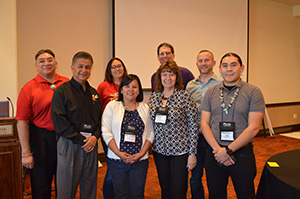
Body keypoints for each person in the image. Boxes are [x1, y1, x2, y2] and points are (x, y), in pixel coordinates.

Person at [201, 52, 265, 199]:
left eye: (233, 65)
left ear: (241, 68)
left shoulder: (253, 92)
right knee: (215, 194)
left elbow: (254, 127)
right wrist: (219, 150)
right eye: (225, 65)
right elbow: (204, 124)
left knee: (245, 194)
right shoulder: (211, 92)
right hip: (215, 153)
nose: (229, 69)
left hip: (242, 153)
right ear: (220, 69)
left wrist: (228, 150)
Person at [16, 49, 69, 199]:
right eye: (42, 61)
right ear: (36, 66)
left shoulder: (67, 83)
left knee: (64, 180)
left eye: (50, 59)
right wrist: (26, 154)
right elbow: (22, 122)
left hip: (65, 139)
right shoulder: (28, 88)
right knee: (41, 183)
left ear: (56, 63)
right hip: (41, 140)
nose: (46, 63)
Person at [51, 51, 103, 199]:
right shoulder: (62, 91)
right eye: (80, 66)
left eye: (87, 67)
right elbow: (59, 121)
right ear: (72, 67)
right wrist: (81, 140)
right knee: (66, 190)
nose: (84, 70)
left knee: (89, 187)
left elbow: (100, 120)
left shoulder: (94, 93)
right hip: (69, 144)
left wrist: (95, 137)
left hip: (91, 145)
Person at [149, 60, 198, 199]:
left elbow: (193, 126)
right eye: (164, 74)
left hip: (180, 152)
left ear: (177, 77)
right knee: (165, 188)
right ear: (160, 77)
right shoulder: (153, 98)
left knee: (178, 190)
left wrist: (192, 154)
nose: (168, 78)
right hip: (159, 151)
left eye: (171, 74)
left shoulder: (184, 97)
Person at [102, 74, 154, 198]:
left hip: (139, 160)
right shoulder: (112, 106)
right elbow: (106, 131)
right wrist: (119, 153)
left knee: (137, 194)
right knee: (121, 194)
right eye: (127, 86)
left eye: (134, 87)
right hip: (117, 159)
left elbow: (151, 133)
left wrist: (141, 154)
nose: (131, 89)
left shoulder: (145, 108)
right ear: (121, 89)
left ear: (139, 91)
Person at [186, 50, 222, 199]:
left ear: (213, 63)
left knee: (216, 179)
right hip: (196, 138)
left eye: (207, 60)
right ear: (196, 64)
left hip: (215, 137)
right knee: (195, 179)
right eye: (200, 61)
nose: (203, 63)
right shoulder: (190, 86)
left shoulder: (221, 83)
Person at [97, 57, 128, 198]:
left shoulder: (128, 83)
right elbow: (97, 109)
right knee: (112, 167)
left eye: (119, 66)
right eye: (114, 67)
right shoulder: (103, 86)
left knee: (126, 166)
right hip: (109, 133)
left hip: (128, 132)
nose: (117, 69)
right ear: (109, 70)